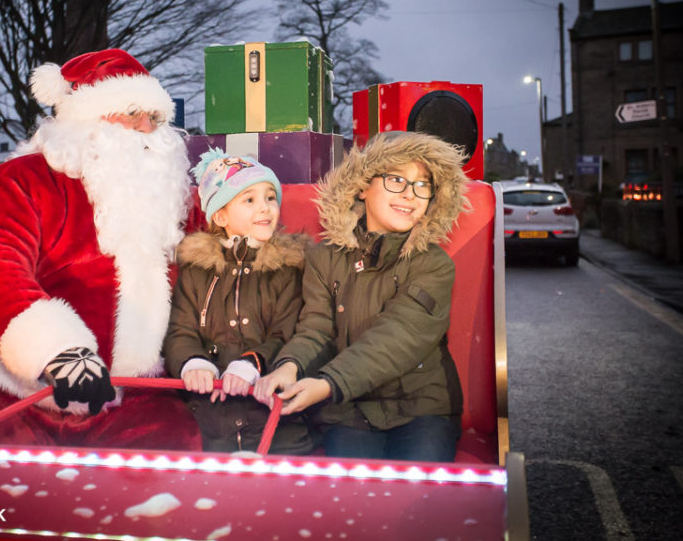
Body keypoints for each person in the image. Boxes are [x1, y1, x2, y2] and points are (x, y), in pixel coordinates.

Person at [0, 48, 200, 450]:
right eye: (130, 112)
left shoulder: (174, 201)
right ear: (83, 120)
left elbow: (224, 261)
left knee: (171, 475)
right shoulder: (20, 181)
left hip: (129, 396)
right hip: (4, 384)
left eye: (155, 117)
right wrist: (60, 353)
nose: (146, 128)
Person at [254, 131, 468, 462]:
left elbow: (398, 338)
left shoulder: (433, 264)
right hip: (348, 410)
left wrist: (327, 384)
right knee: (354, 495)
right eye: (397, 179)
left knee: (421, 498)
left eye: (422, 185)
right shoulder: (325, 257)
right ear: (364, 186)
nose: (410, 194)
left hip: (420, 408)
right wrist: (290, 365)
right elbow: (316, 329)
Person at [163, 149, 318, 454]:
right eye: (249, 200)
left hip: (276, 426)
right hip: (212, 425)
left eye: (270, 198)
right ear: (220, 215)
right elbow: (180, 330)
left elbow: (289, 332)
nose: (265, 208)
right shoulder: (197, 270)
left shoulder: (287, 269)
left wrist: (252, 362)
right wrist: (193, 363)